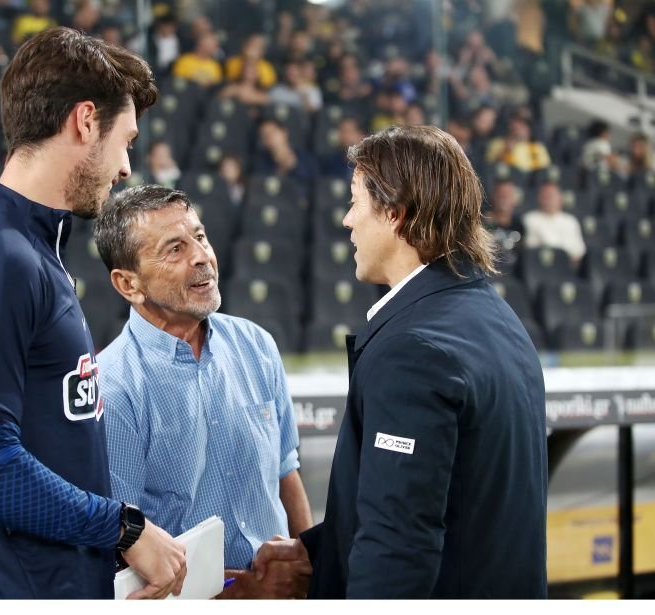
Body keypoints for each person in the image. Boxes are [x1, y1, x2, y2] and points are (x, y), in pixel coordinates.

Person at [0, 27, 187, 600]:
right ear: (85, 121)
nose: (126, 168)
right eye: (125, 141)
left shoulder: (24, 248)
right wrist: (123, 528)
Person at [254, 125, 548, 598]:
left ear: (394, 213)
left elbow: (398, 545)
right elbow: (451, 503)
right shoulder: (497, 317)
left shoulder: (414, 350)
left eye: (355, 202)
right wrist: (319, 552)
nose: (347, 220)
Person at [93, 184, 313, 599]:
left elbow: (286, 471)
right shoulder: (114, 387)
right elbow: (120, 546)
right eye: (175, 249)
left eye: (200, 237)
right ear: (128, 284)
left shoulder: (257, 345)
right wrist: (239, 589)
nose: (201, 256)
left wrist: (311, 567)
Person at [523, 181, 586, 266]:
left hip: (568, 267)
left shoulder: (571, 221)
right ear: (539, 198)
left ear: (560, 198)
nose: (548, 199)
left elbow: (579, 253)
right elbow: (531, 249)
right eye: (545, 196)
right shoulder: (529, 219)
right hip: (540, 266)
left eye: (551, 195)